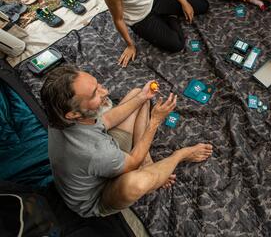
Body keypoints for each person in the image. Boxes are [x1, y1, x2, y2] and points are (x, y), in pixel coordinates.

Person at [42, 65, 213, 218]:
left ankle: (148, 162)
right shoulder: (96, 152)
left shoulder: (58, 114)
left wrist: (143, 97)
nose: (105, 91)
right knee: (136, 184)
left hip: (101, 158)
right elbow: (132, 163)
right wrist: (155, 121)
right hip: (100, 195)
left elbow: (105, 121)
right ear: (73, 114)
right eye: (95, 93)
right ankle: (180, 155)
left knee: (138, 95)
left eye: (98, 85)